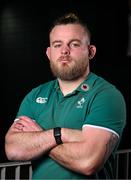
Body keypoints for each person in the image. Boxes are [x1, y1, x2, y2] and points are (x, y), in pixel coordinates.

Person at [5, 13, 126, 179]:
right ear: (49, 53)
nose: (64, 51)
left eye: (74, 44)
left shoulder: (106, 95)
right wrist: (60, 134)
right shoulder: (35, 96)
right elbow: (13, 149)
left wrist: (39, 137)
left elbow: (88, 162)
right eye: (57, 45)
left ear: (91, 51)